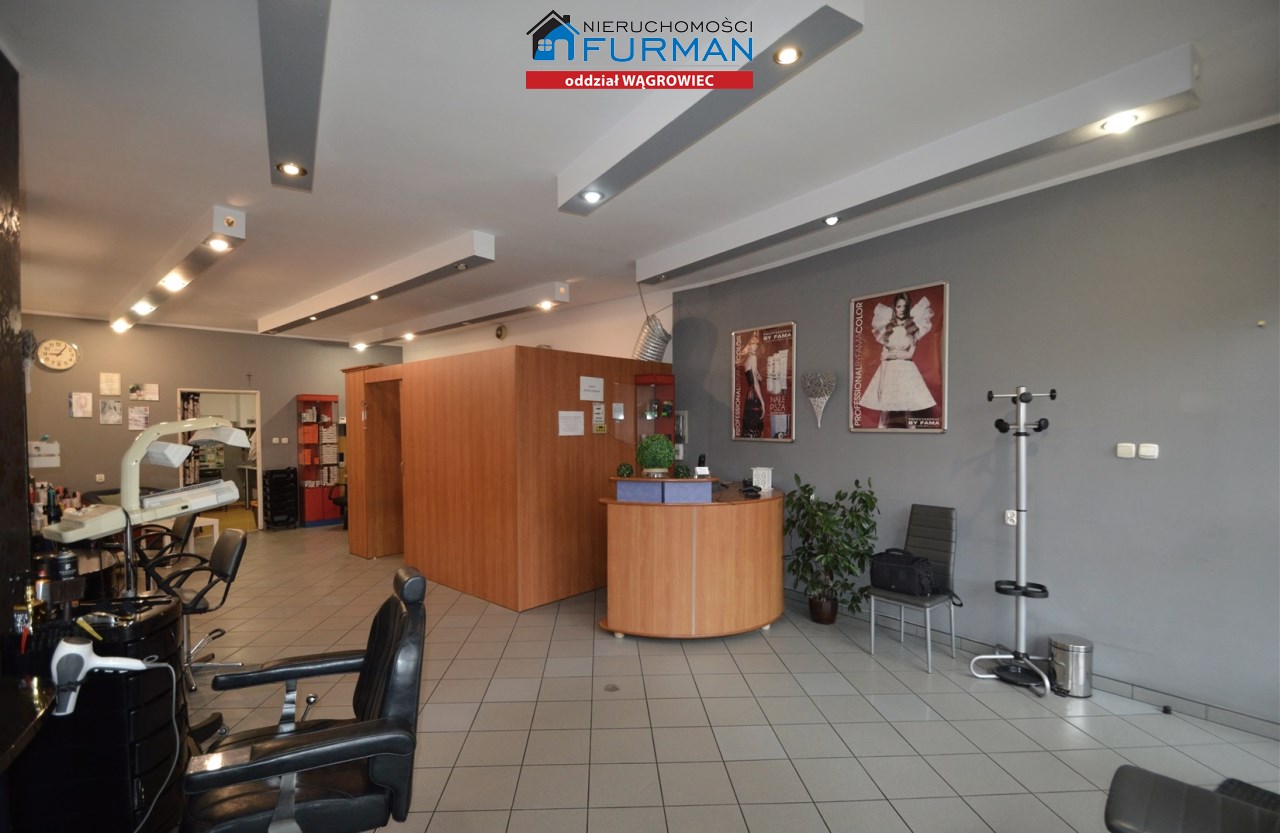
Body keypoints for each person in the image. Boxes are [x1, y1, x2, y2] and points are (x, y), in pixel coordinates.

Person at [859, 292, 936, 428]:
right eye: (899, 306)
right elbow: (883, 357)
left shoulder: (912, 327)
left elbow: (909, 355)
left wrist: (891, 355)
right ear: (894, 308)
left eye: (905, 307)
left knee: (908, 407)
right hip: (889, 371)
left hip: (906, 371)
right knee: (884, 408)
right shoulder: (888, 328)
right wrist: (880, 384)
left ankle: (912, 433)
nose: (901, 310)